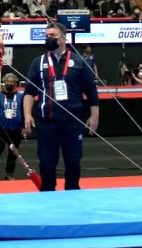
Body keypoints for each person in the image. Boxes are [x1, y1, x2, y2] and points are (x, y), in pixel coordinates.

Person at [23, 24, 99, 192]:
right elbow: (29, 91)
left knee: (73, 161)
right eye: (46, 36)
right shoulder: (39, 62)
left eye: (52, 35)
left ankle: (72, 192)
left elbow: (91, 91)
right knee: (47, 162)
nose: (48, 39)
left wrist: (94, 116)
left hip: (72, 121)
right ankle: (48, 193)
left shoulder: (79, 61)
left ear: (63, 38)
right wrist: (27, 114)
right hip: (47, 121)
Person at [0, 73, 24, 180]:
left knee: (13, 153)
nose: (9, 83)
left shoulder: (21, 97)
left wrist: (24, 126)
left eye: (12, 82)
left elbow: (23, 111)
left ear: (16, 83)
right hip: (1, 129)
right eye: (7, 81)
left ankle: (9, 173)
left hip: (16, 129)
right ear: (4, 83)